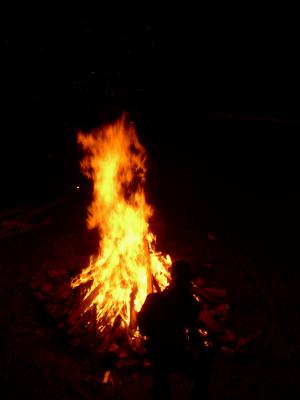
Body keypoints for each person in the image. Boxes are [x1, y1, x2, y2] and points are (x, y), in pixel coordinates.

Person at [138, 259, 209, 399]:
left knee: (160, 378)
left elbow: (143, 327)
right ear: (189, 280)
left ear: (172, 276)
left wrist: (153, 338)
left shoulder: (153, 299)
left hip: (156, 352)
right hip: (176, 353)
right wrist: (202, 352)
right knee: (201, 372)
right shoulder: (192, 304)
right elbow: (193, 335)